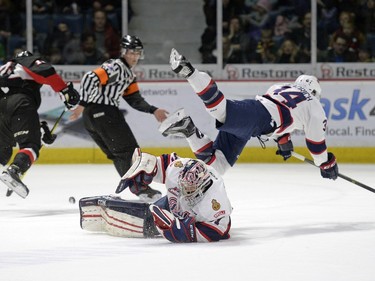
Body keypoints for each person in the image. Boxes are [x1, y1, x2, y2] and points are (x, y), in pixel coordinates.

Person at [159, 48, 339, 180]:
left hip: (255, 121)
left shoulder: (281, 87)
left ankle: (188, 129)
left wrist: (283, 138)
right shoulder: (315, 107)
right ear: (315, 92)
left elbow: (282, 112)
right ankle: (190, 72)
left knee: (217, 166)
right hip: (258, 117)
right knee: (220, 111)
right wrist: (326, 163)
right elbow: (316, 145)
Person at [70, 35, 168, 202]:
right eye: (132, 52)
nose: (135, 57)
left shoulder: (128, 74)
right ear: (124, 52)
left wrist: (153, 110)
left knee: (117, 154)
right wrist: (82, 104)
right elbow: (90, 78)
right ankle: (139, 188)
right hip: (104, 112)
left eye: (138, 53)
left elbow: (134, 99)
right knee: (129, 151)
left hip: (92, 119)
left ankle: (136, 187)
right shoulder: (116, 67)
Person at [79, 147, 232, 243]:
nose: (183, 190)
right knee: (150, 216)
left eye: (189, 188)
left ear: (202, 185)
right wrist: (145, 172)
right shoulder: (179, 169)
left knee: (153, 223)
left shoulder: (215, 203)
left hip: (195, 220)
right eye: (182, 185)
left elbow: (217, 231)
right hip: (174, 207)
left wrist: (179, 230)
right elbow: (157, 164)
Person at [0, 50, 80, 198]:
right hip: (18, 102)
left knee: (3, 152)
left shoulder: (6, 68)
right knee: (30, 146)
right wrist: (65, 91)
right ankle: (15, 170)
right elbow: (45, 70)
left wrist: (41, 132)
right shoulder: (26, 61)